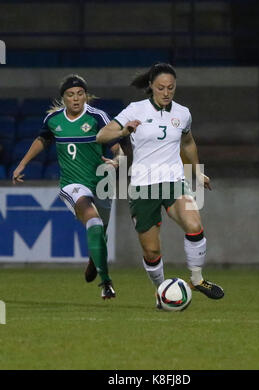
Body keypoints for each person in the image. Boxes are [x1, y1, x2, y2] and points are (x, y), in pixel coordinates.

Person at [96, 63, 224, 308]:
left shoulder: (183, 113)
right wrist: (124, 130)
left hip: (173, 182)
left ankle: (197, 280)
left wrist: (197, 171)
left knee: (194, 223)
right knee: (152, 252)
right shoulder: (136, 110)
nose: (166, 93)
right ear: (151, 87)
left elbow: (187, 142)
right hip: (143, 187)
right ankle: (162, 292)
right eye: (161, 88)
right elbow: (101, 135)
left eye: (171, 88)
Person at [12, 74, 129, 300]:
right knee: (93, 221)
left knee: (99, 231)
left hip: (102, 183)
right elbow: (42, 140)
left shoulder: (98, 116)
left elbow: (116, 146)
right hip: (73, 185)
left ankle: (94, 260)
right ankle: (106, 282)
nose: (76, 99)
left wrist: (118, 161)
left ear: (86, 96)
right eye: (70, 95)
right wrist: (22, 164)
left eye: (80, 94)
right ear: (63, 98)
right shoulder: (53, 120)